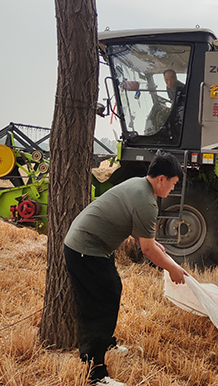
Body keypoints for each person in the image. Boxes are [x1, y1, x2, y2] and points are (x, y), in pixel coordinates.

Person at [64, 151, 188, 386]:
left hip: (92, 246)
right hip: (86, 249)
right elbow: (148, 251)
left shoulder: (138, 184)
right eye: (173, 184)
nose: (172, 189)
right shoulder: (147, 201)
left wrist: (147, 238)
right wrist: (173, 269)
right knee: (98, 305)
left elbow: (128, 221)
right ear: (161, 179)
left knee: (111, 291)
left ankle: (105, 343)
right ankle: (95, 373)